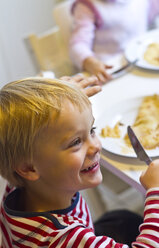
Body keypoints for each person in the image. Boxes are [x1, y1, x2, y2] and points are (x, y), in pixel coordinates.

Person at [0, 77, 159, 247]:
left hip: (84, 226)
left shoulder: (20, 185)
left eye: (92, 130)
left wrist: (63, 102)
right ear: (29, 168)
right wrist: (155, 191)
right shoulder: (61, 239)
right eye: (76, 142)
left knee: (124, 219)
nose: (96, 146)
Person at [69, 0, 159, 83]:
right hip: (111, 70)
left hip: (143, 64)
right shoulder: (87, 6)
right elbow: (78, 45)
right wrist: (90, 63)